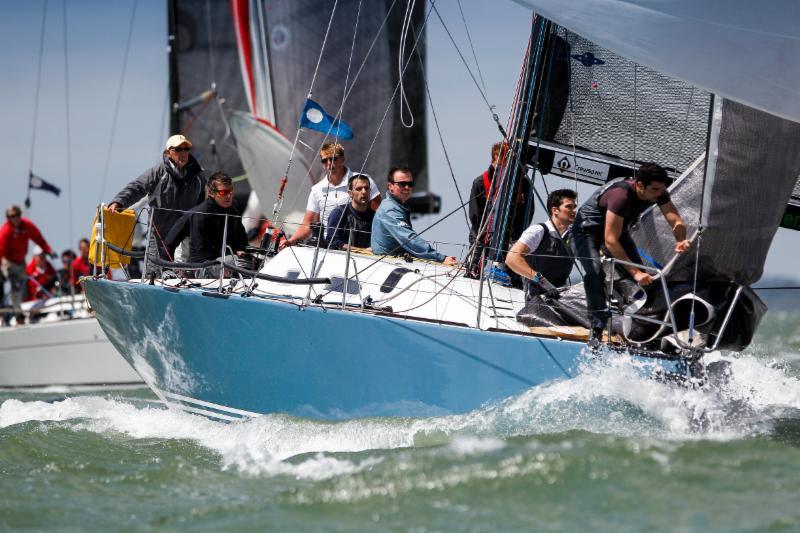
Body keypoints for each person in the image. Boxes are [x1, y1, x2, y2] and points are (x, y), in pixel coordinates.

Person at [571, 162, 691, 341]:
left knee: (647, 281)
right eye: (656, 189)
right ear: (640, 185)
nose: (660, 194)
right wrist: (635, 273)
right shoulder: (620, 196)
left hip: (618, 232)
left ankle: (652, 330)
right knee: (594, 272)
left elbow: (676, 221)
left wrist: (680, 240)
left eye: (662, 189)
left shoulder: (658, 191)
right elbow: (610, 241)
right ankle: (597, 328)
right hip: (586, 232)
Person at [107, 134, 205, 261]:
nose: (183, 153)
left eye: (186, 149)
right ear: (168, 153)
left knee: (186, 273)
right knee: (155, 273)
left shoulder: (198, 177)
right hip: (159, 236)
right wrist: (118, 202)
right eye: (178, 149)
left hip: (186, 237)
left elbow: (204, 205)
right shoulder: (158, 172)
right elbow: (137, 187)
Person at [281, 142, 381, 248]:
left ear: (343, 159)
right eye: (324, 160)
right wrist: (291, 240)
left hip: (360, 244)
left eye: (333, 158)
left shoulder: (363, 182)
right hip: (327, 245)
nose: (329, 163)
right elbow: (308, 224)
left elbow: (378, 214)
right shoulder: (317, 190)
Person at [467, 141, 532, 280]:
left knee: (514, 281)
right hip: (482, 240)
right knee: (473, 276)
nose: (505, 167)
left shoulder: (524, 184)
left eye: (508, 162)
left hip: (511, 242)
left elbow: (528, 213)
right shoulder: (480, 182)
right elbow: (475, 215)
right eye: (502, 162)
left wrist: (514, 237)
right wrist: (487, 237)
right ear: (493, 160)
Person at [372, 166, 458, 265]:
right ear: (390, 186)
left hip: (395, 261)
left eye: (410, 184)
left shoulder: (399, 205)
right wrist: (441, 258)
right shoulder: (390, 209)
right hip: (384, 264)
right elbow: (409, 239)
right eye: (402, 184)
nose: (407, 187)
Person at [164, 171, 249, 268]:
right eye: (223, 192)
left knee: (257, 261)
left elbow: (243, 243)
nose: (229, 195)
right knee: (234, 261)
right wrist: (167, 269)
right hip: (200, 269)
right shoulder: (197, 214)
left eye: (230, 191)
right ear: (212, 193)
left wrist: (246, 254)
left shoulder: (233, 213)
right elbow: (169, 243)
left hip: (226, 266)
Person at [505, 189, 577, 301]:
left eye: (574, 207)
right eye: (569, 207)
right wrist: (544, 283)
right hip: (536, 299)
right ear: (555, 210)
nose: (574, 211)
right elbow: (512, 258)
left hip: (561, 297)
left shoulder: (575, 235)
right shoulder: (538, 231)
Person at [0, 205, 52, 325]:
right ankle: (13, 312)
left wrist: (48, 249)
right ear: (8, 218)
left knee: (19, 286)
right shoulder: (5, 231)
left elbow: (38, 237)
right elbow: (1, 250)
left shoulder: (26, 225)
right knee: (12, 283)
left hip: (20, 262)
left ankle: (18, 311)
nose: (16, 218)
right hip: (7, 262)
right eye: (12, 216)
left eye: (17, 215)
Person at [326, 174, 375, 250]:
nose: (364, 191)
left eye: (366, 188)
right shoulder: (339, 213)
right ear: (350, 193)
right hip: (344, 259)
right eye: (359, 189)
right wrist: (362, 251)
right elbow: (333, 242)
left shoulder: (375, 216)